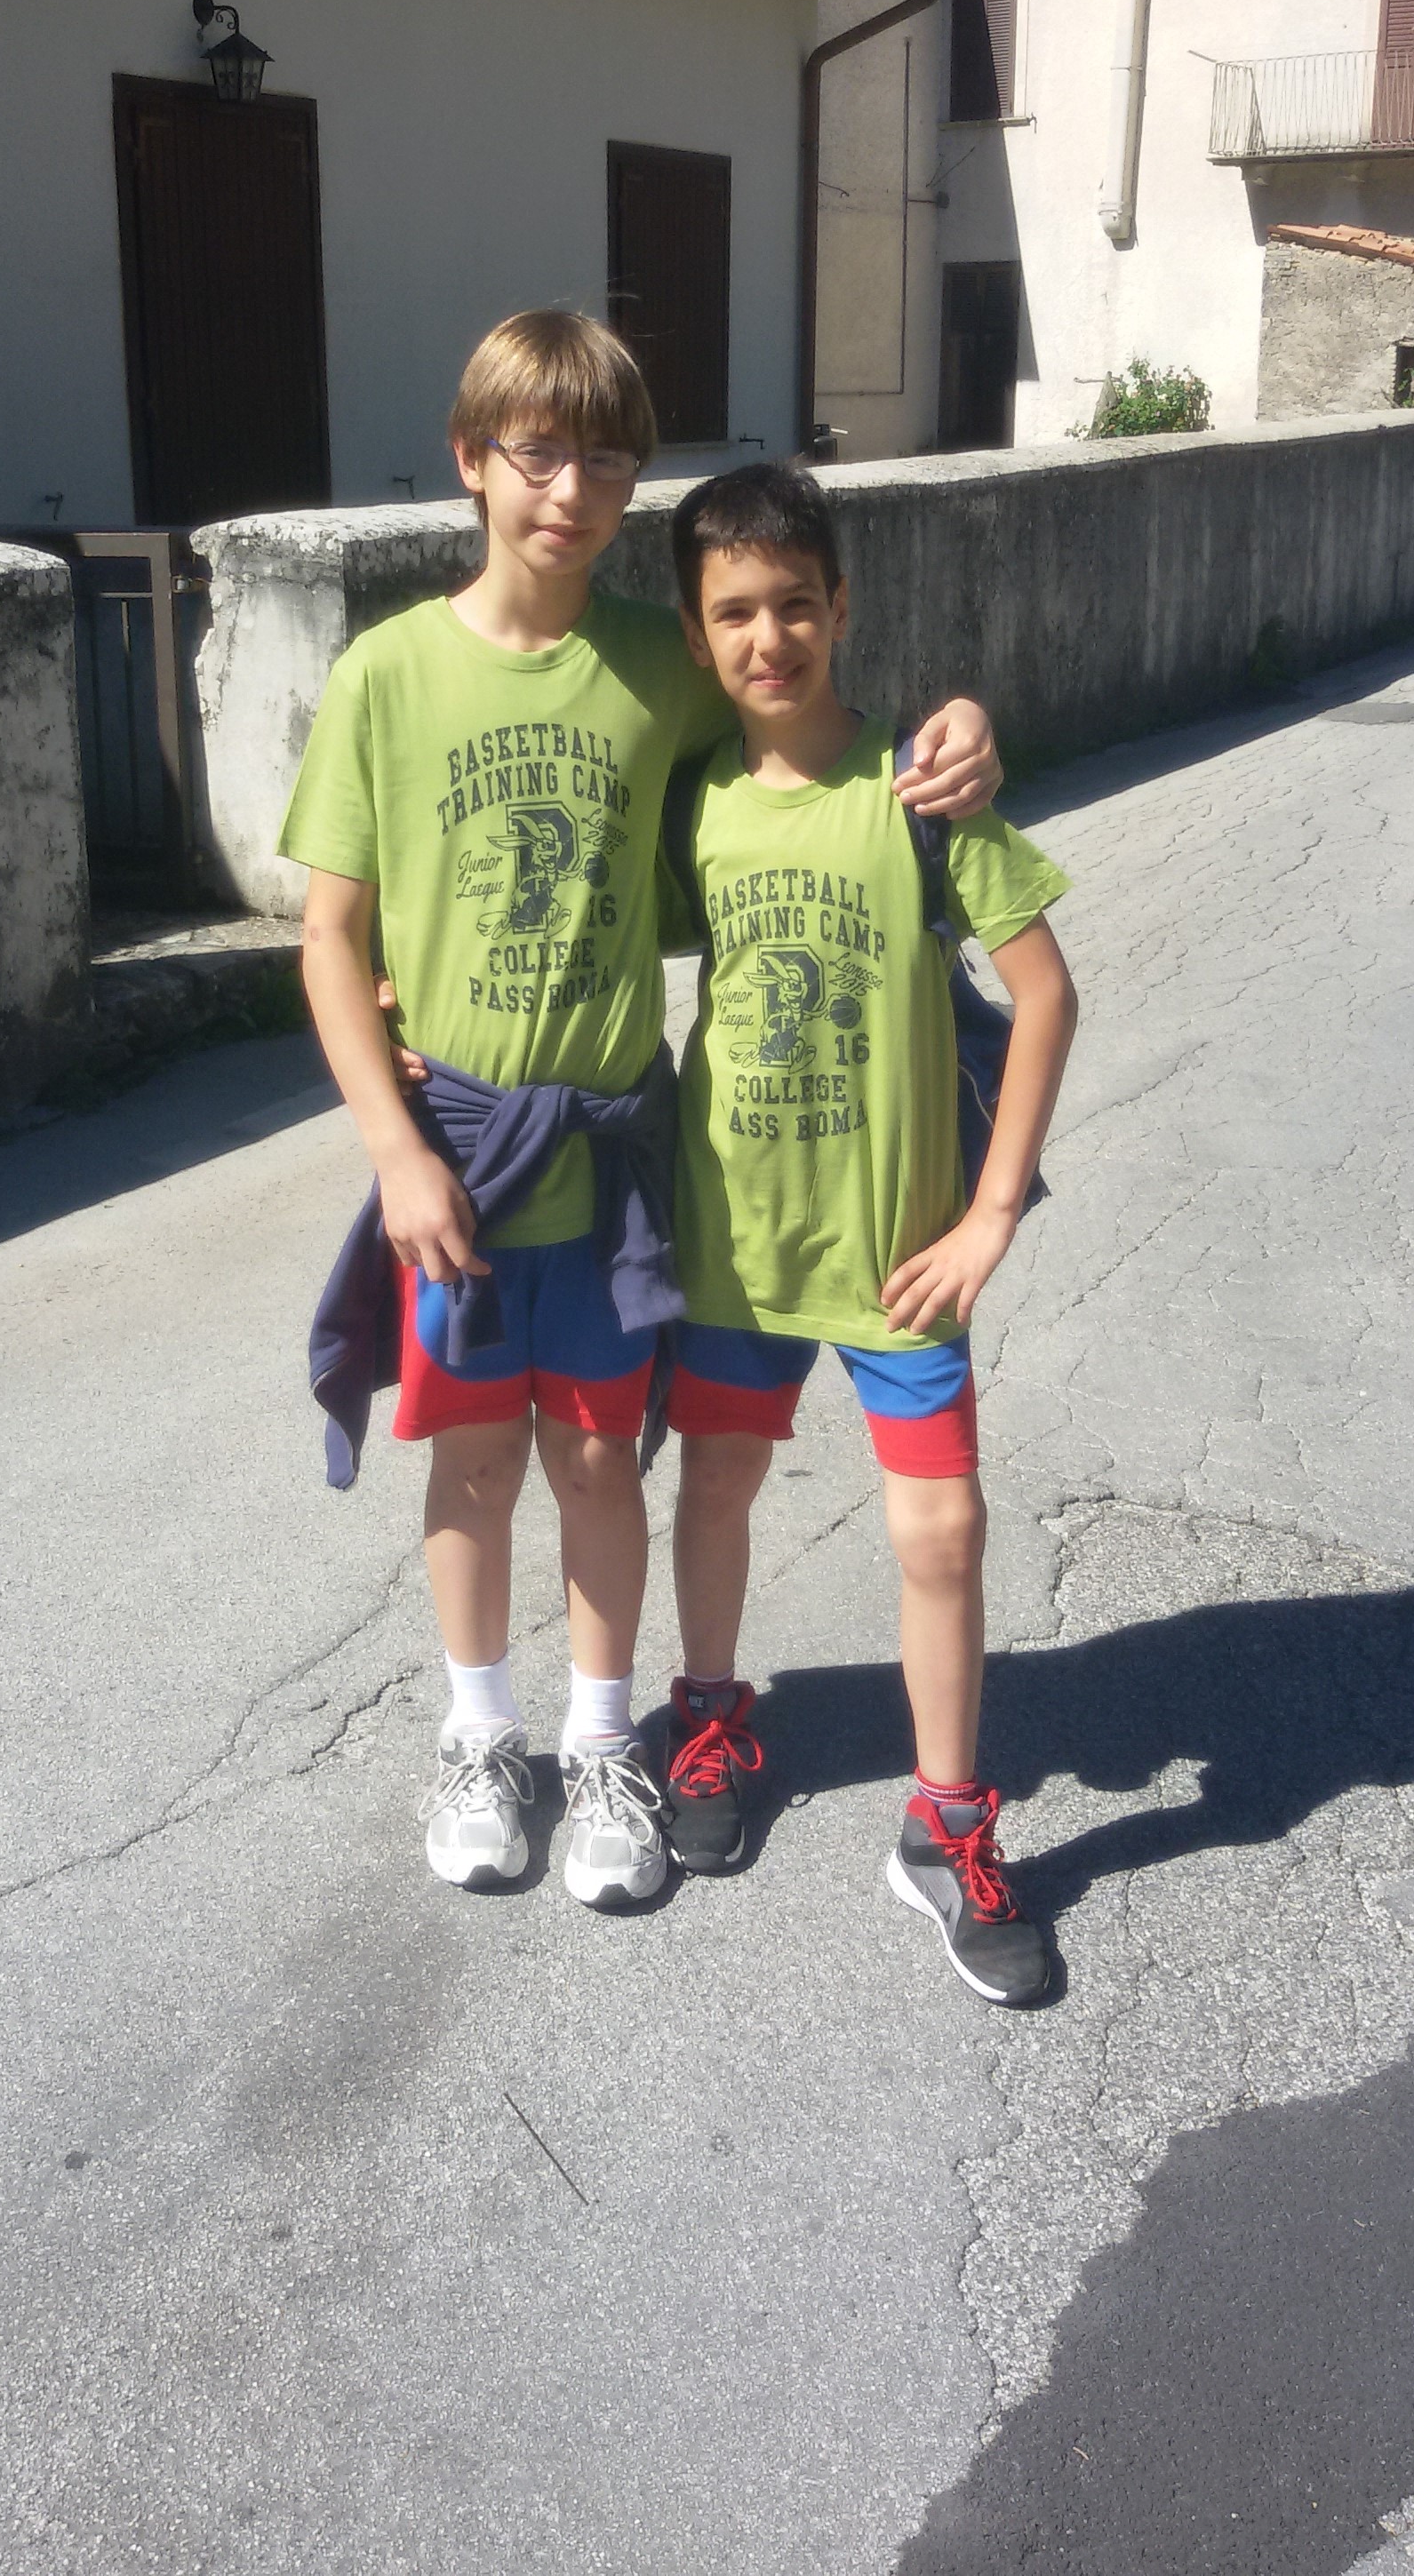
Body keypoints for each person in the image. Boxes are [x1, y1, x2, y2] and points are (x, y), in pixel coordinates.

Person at [277, 312, 1003, 1913]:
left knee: (603, 1459)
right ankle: (483, 1735)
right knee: (474, 1463)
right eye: (538, 452)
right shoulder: (387, 675)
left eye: (606, 458)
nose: (572, 489)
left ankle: (605, 1742)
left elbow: (801, 722)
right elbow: (329, 934)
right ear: (471, 460)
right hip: (460, 1158)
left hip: (613, 1153)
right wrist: (392, 1149)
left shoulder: (658, 663)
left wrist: (957, 725)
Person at [658, 461, 1077, 2005]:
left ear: (840, 608)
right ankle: (712, 1718)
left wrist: (990, 1214)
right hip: (736, 1249)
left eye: (794, 604)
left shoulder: (919, 792)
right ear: (698, 638)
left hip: (902, 1260)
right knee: (716, 1485)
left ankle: (947, 1827)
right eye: (734, 614)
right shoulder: (691, 803)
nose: (768, 637)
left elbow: (1046, 995)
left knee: (943, 1534)